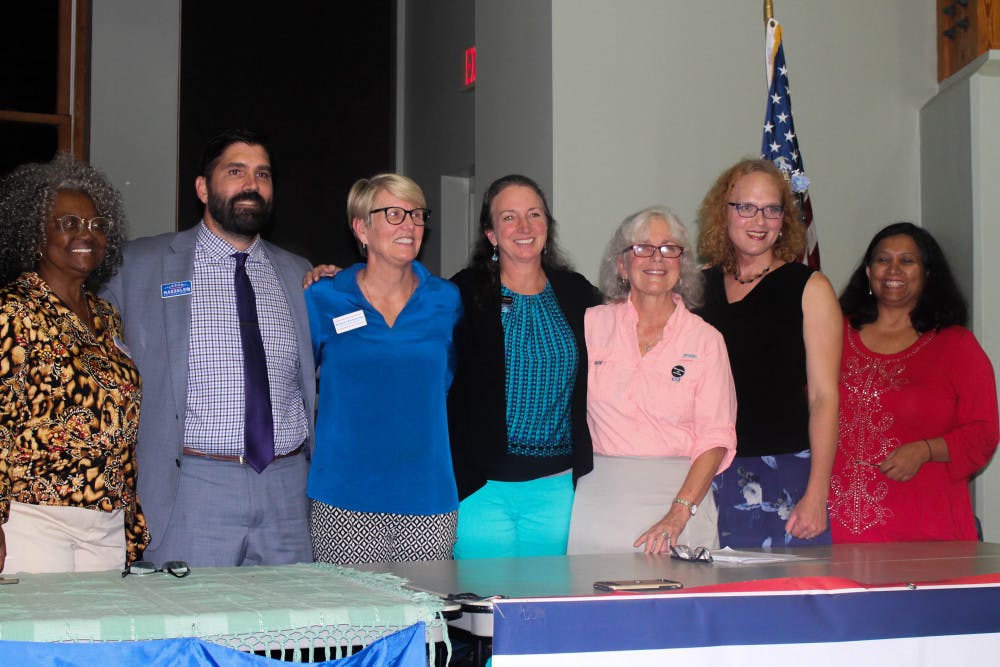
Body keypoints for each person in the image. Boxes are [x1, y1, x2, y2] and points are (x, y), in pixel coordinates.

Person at [102, 129, 315, 567]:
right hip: (192, 486)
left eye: (262, 174)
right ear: (202, 188)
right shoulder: (138, 265)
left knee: (289, 613)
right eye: (236, 172)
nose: (251, 184)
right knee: (188, 611)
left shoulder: (300, 274)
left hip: (287, 489)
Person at [0, 155, 149, 573]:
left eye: (97, 225)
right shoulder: (13, 312)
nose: (86, 234)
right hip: (34, 519)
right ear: (35, 235)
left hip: (107, 520)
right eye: (69, 223)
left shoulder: (106, 317)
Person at [304, 174, 462, 564]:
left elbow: (448, 380)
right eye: (394, 214)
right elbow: (298, 384)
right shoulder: (323, 297)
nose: (409, 225)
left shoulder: (446, 299)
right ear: (362, 228)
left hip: (427, 500)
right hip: (343, 501)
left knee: (423, 602)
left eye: (417, 214)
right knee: (351, 605)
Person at [567, 207, 737, 555]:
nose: (656, 258)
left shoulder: (706, 341)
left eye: (669, 248)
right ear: (622, 265)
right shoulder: (589, 326)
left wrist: (679, 513)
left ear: (682, 264)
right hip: (600, 502)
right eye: (642, 247)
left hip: (682, 502)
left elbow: (716, 437)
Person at [449, 174, 602, 559]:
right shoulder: (463, 293)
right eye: (509, 217)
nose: (524, 227)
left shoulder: (577, 293)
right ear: (491, 234)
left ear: (547, 227)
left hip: (556, 488)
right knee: (485, 596)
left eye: (534, 214)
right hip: (481, 487)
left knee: (547, 594)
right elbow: (406, 300)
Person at [696, 158, 841, 548]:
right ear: (724, 213)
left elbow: (824, 398)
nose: (759, 220)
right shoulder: (697, 288)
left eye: (771, 209)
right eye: (746, 207)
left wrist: (817, 494)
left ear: (784, 219)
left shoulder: (810, 288)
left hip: (785, 474)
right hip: (707, 473)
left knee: (790, 587)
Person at [830, 223, 998, 542]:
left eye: (907, 261)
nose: (893, 269)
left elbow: (983, 433)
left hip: (925, 523)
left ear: (928, 274)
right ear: (868, 272)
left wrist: (925, 450)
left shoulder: (956, 345)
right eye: (883, 260)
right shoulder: (833, 333)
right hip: (834, 524)